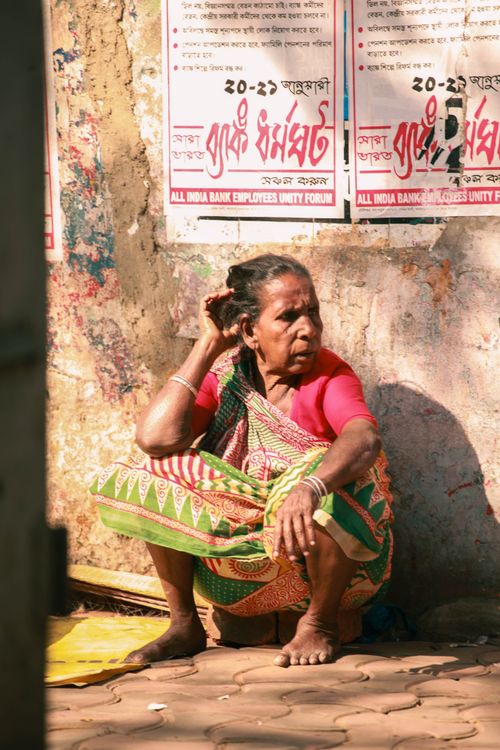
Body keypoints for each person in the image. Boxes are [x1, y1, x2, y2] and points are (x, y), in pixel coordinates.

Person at [91, 254, 393, 668]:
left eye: (313, 313)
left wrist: (309, 487)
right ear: (250, 331)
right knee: (152, 472)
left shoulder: (330, 374)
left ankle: (321, 624)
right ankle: (184, 625)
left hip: (321, 562)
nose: (308, 330)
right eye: (288, 317)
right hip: (236, 563)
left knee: (341, 471)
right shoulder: (229, 374)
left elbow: (365, 437)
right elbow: (155, 440)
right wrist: (208, 344)